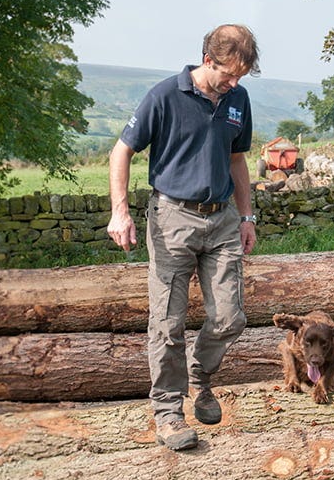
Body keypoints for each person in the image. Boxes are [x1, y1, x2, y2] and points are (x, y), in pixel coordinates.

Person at [106, 24, 260, 451]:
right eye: (229, 74)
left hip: (223, 219)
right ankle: (169, 411)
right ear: (208, 60)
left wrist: (246, 215)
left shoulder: (238, 100)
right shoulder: (164, 95)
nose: (234, 83)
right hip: (173, 218)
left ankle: (199, 377)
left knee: (230, 318)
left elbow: (237, 159)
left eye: (241, 77)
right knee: (168, 323)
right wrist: (119, 211)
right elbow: (122, 151)